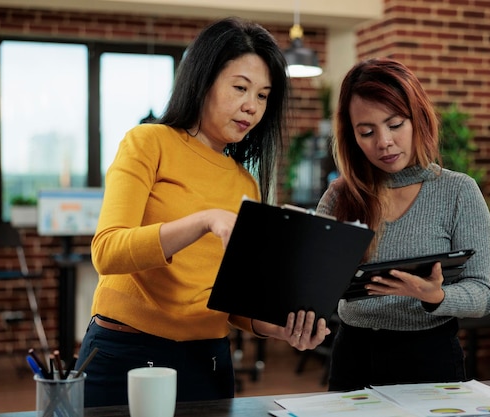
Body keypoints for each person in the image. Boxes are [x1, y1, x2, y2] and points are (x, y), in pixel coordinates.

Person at [75, 16, 329, 407]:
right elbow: (107, 252)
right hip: (125, 352)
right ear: (203, 81)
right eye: (240, 88)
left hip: (207, 359)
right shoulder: (148, 143)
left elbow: (235, 301)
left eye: (263, 95)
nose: (251, 106)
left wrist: (278, 328)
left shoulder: (246, 182)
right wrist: (203, 221)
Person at [316, 57, 490, 390]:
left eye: (395, 124)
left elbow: (482, 295)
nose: (383, 141)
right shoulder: (340, 196)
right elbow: (313, 284)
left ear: (418, 119)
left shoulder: (458, 191)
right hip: (353, 355)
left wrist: (434, 295)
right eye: (366, 132)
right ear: (351, 136)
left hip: (429, 355)